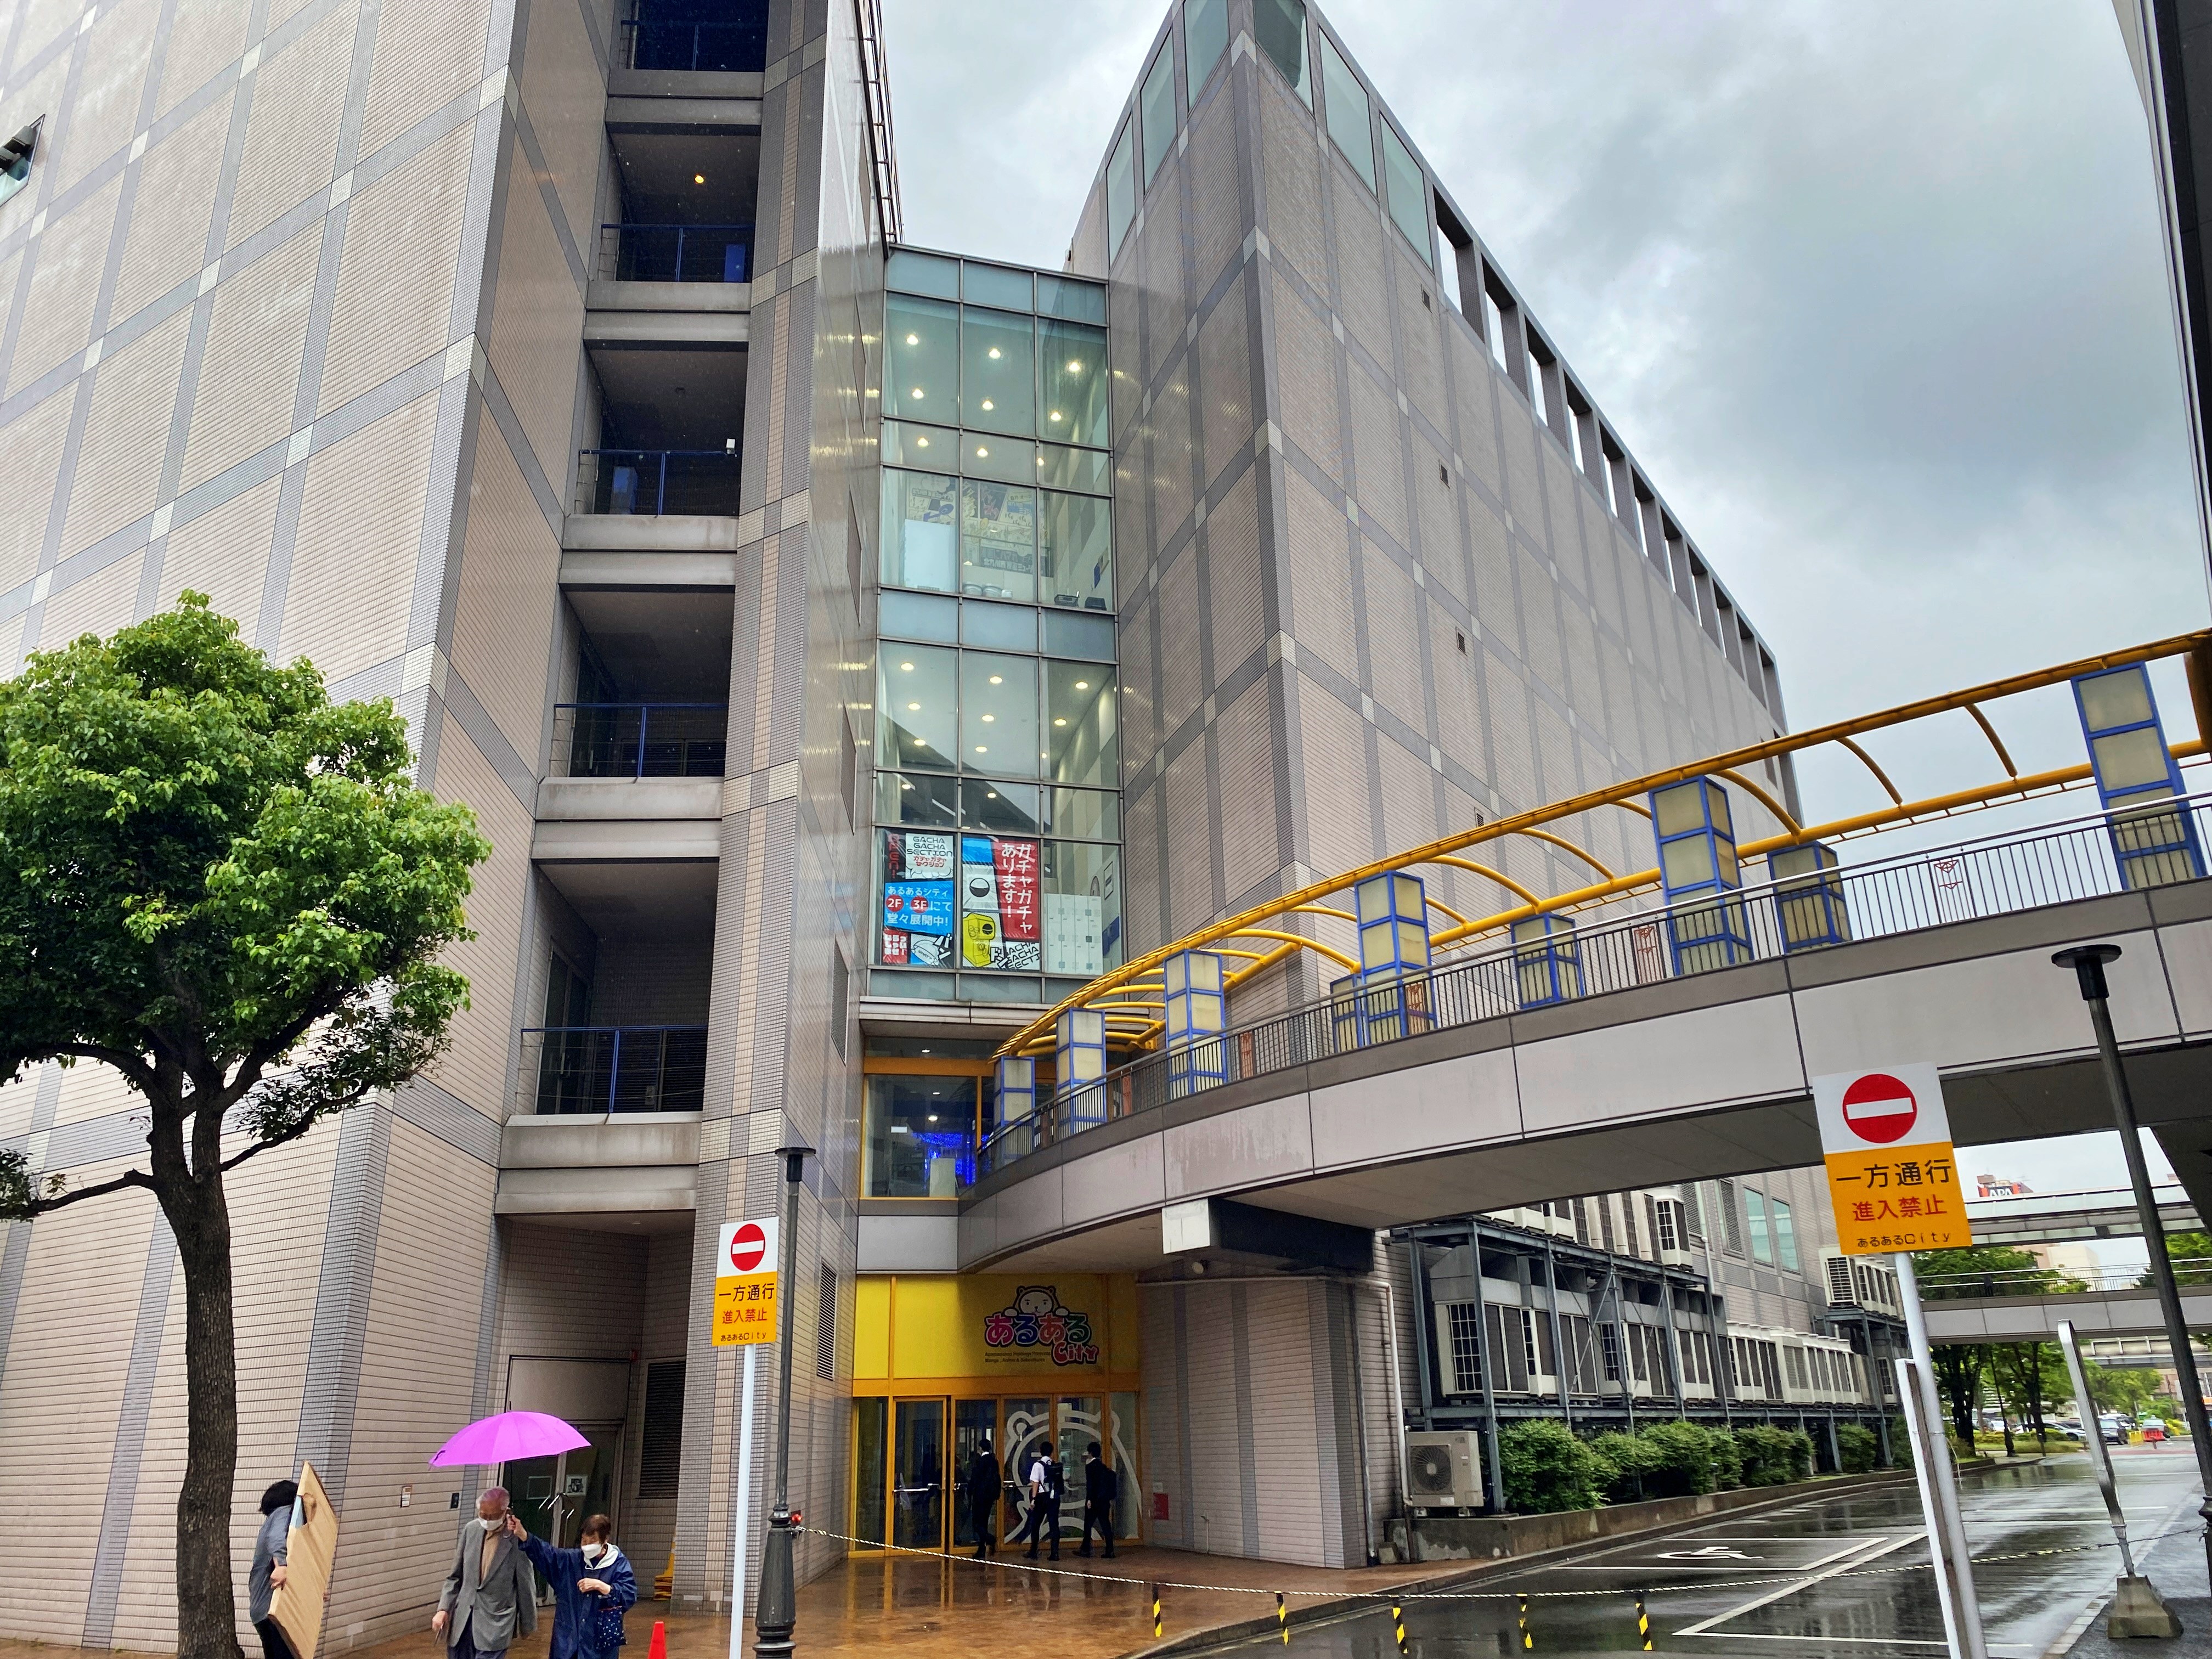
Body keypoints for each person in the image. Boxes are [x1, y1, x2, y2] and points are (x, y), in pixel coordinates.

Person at [505, 1511, 636, 1659]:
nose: (587, 1546)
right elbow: (546, 1554)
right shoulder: (571, 1561)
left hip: (600, 1644)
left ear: (605, 1539)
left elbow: (629, 1596)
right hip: (568, 1642)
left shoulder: (618, 1564)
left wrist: (603, 1587)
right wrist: (523, 1534)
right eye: (584, 1541)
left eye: (593, 1541)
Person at [434, 1487, 539, 1659]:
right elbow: (455, 1576)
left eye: (492, 1516)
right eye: (483, 1515)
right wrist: (443, 1609)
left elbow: (526, 1584)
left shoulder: (518, 1539)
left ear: (505, 1511)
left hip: (495, 1624)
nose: (487, 1520)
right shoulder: (471, 1530)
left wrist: (528, 1624)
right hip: (463, 1621)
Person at [248, 1479, 298, 1659]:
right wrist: (281, 1566)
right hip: (273, 1609)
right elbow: (277, 1539)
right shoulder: (283, 1513)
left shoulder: (271, 1521)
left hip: (262, 1610)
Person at [1017, 1446, 1062, 1561]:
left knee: (1036, 1524)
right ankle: (1055, 1553)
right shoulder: (1054, 1464)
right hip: (1054, 1498)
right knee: (1054, 1525)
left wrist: (1033, 1499)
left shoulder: (1038, 1465)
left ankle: (1033, 1551)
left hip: (1042, 1498)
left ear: (1041, 1452)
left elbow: (1035, 1483)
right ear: (1052, 1453)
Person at [1075, 1442, 1118, 1559]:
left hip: (1094, 1501)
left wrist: (1089, 1499)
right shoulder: (1104, 1467)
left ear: (1090, 1453)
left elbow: (1090, 1485)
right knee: (1106, 1525)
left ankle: (1086, 1549)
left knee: (1088, 1525)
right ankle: (1110, 1550)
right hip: (1104, 1501)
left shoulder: (1090, 1467)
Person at [965, 1436, 1002, 1558]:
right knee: (984, 1522)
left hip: (980, 1496)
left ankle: (990, 1539)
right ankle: (982, 1549)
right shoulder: (994, 1461)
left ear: (980, 1448)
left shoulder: (980, 1462)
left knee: (977, 1523)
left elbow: (975, 1479)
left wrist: (969, 1492)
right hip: (990, 1497)